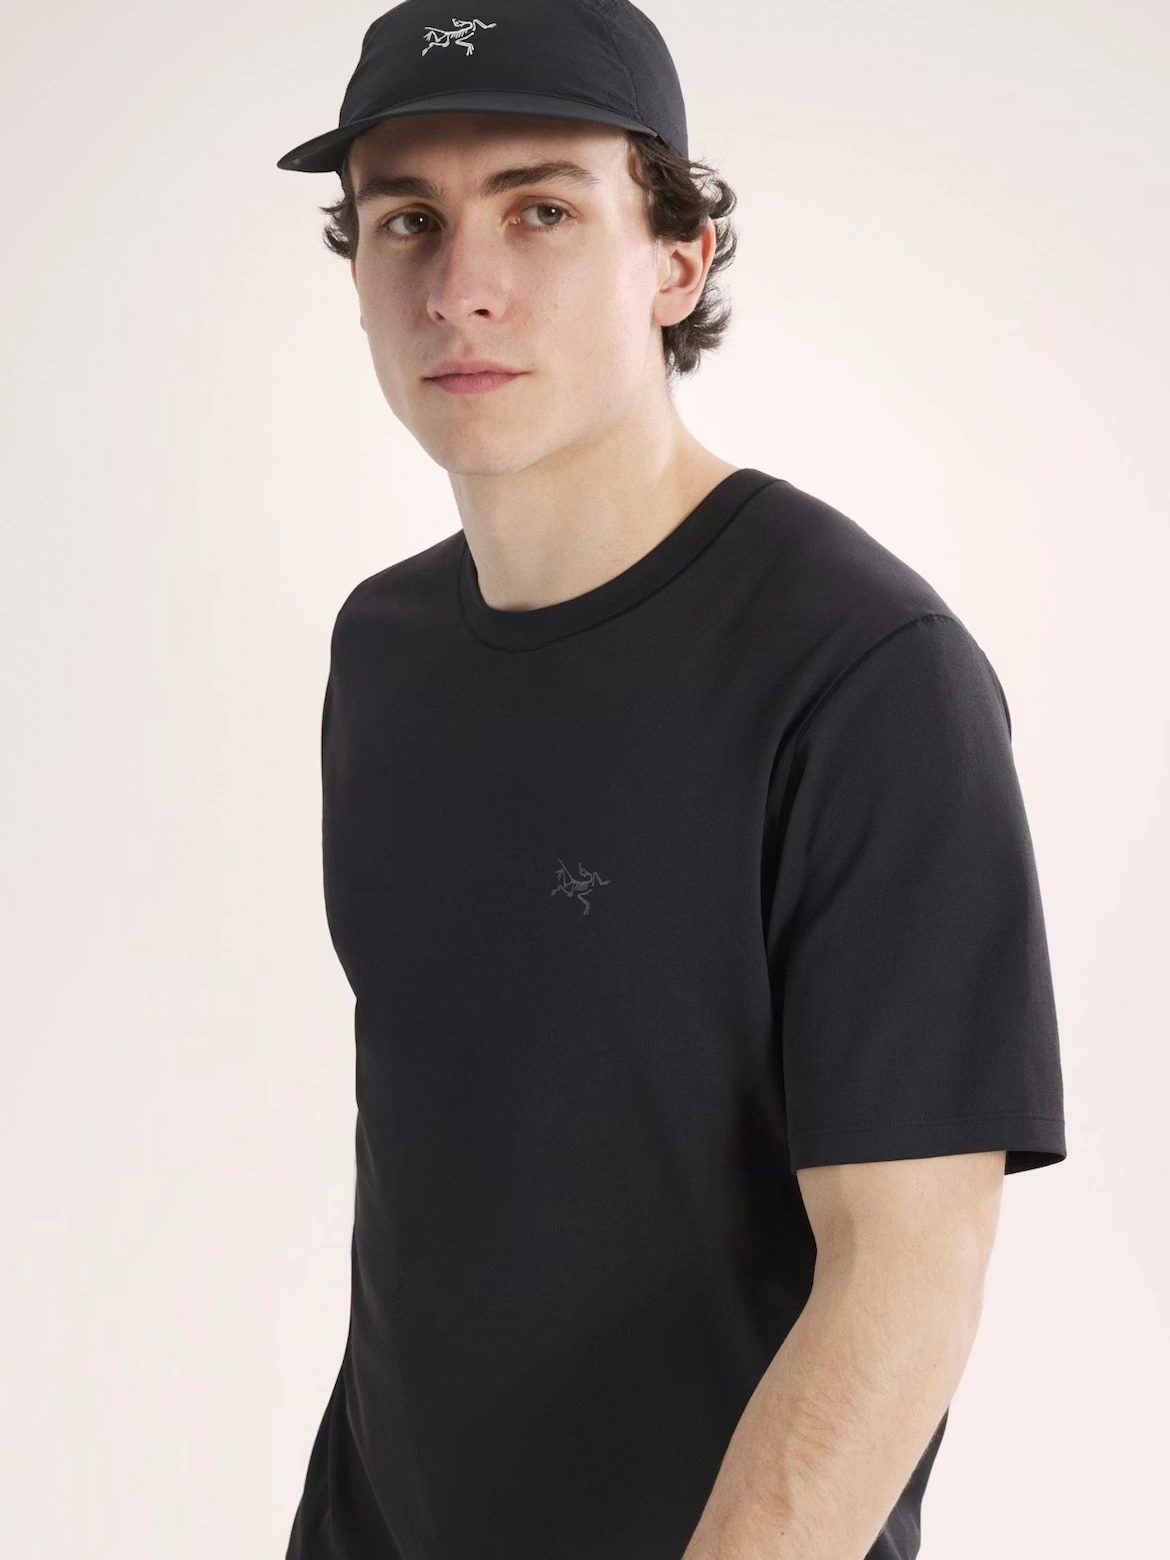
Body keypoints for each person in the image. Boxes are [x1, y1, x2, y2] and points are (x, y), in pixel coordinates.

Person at [275, 3, 1067, 1557]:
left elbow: (907, 1267)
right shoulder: (383, 648)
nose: (460, 285)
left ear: (676, 260)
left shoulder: (863, 670)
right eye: (407, 220)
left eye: (540, 211)